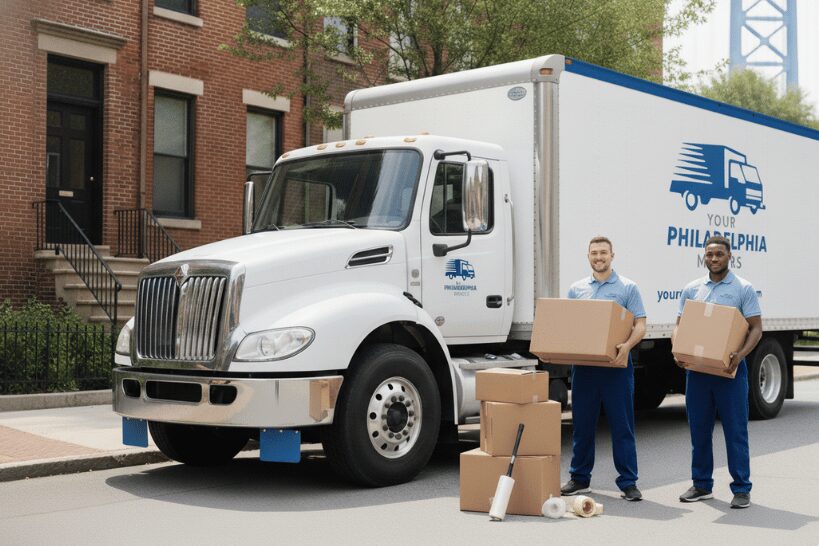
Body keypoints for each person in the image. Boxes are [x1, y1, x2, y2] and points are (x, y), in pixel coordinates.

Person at [675, 235, 762, 509]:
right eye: (710, 254)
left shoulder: (742, 288)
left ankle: (741, 488)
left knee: (735, 431)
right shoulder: (692, 289)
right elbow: (680, 325)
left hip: (730, 371)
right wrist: (678, 349)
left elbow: (756, 329)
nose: (714, 259)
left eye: (719, 254)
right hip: (698, 373)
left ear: (729, 256)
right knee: (698, 429)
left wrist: (740, 355)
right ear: (704, 256)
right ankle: (701, 484)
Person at [560, 236, 647, 501]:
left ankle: (628, 482)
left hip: (616, 367)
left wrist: (627, 347)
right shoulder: (577, 289)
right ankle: (579, 478)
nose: (599, 257)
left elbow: (640, 325)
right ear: (588, 256)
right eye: (594, 253)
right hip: (585, 368)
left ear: (612, 255)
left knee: (622, 427)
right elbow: (571, 326)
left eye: (603, 253)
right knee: (582, 425)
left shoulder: (627, 288)